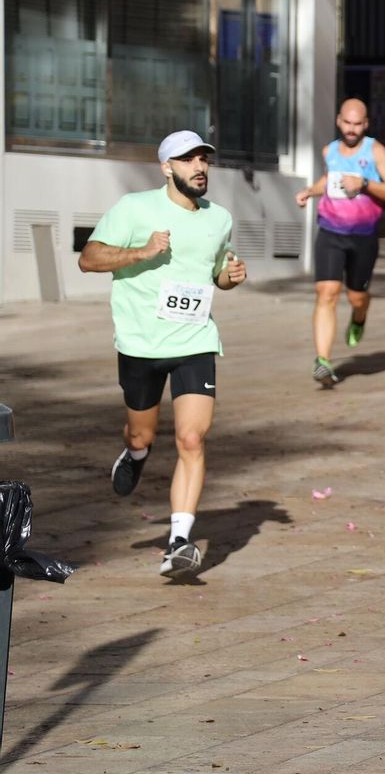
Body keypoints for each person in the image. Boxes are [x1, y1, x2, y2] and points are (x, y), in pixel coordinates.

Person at [78, 130, 249, 579]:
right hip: (141, 344)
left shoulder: (220, 219)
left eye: (204, 160)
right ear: (166, 167)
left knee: (192, 438)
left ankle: (179, 540)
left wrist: (231, 276)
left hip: (195, 342)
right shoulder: (134, 208)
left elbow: (217, 276)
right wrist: (143, 251)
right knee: (141, 435)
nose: (199, 167)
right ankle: (135, 456)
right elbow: (89, 258)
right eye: (188, 160)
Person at [295, 98, 385, 388]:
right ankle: (323, 361)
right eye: (347, 122)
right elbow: (329, 180)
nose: (352, 129)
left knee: (356, 296)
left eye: (358, 124)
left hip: (363, 236)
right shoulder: (329, 150)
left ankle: (359, 315)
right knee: (326, 292)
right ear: (339, 121)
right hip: (330, 230)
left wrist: (365, 183)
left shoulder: (376, 151)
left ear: (365, 124)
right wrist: (309, 191)